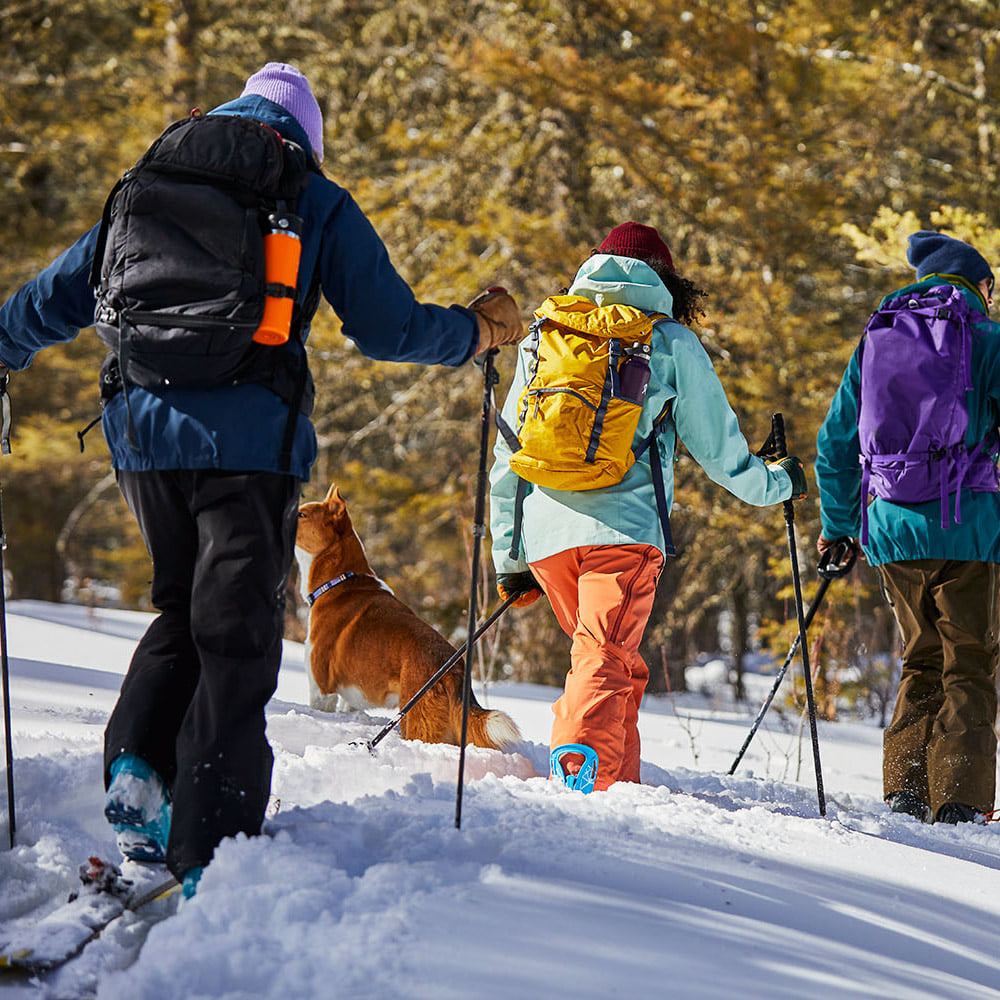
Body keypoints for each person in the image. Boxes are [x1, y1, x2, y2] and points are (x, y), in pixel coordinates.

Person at [0, 62, 523, 894]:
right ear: (305, 138)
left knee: (183, 608)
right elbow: (388, 327)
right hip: (247, 445)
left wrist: (3, 349)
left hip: (140, 435)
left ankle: (136, 767)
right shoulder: (308, 194)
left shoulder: (152, 178)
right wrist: (475, 334)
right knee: (238, 636)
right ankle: (214, 845)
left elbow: (59, 294)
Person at [488, 222, 805, 792]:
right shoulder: (668, 341)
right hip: (623, 533)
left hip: (545, 538)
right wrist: (777, 483)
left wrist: (509, 555)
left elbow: (508, 449)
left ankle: (620, 788)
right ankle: (582, 787)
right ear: (665, 280)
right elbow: (722, 452)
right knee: (604, 658)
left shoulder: (546, 334)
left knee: (614, 663)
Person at [815, 230, 1000, 825]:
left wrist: (839, 527)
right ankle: (960, 801)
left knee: (919, 656)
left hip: (891, 528)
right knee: (968, 661)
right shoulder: (986, 338)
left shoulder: (878, 338)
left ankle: (906, 791)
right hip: (969, 527)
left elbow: (835, 441)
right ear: (979, 285)